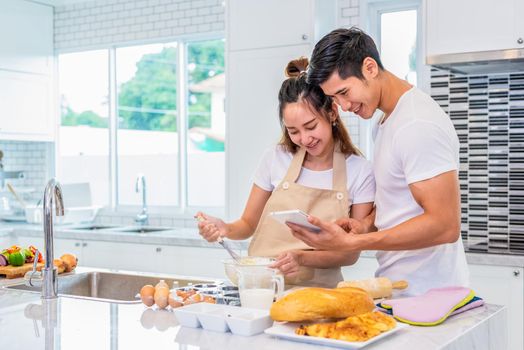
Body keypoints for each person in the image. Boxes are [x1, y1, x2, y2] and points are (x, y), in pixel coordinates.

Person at [287, 27, 469, 295]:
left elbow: (445, 225)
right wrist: (363, 226)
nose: (344, 107)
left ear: (370, 67)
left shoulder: (417, 124)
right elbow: (399, 204)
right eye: (335, 98)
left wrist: (354, 244)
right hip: (400, 287)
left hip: (431, 293)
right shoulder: (384, 121)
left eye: (344, 92)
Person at [196, 57, 375, 288]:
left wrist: (301, 258)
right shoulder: (275, 158)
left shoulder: (360, 170)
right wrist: (226, 228)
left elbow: (350, 253)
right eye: (293, 131)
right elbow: (248, 224)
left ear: (332, 112)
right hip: (261, 289)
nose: (304, 139)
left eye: (311, 126)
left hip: (320, 296)